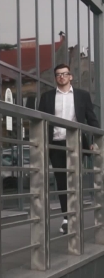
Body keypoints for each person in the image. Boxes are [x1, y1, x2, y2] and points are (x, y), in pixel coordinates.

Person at [38, 64, 99, 234]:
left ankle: (75, 215)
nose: (61, 77)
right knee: (62, 181)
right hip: (55, 144)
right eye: (58, 75)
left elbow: (91, 120)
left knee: (75, 180)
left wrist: (94, 141)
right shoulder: (47, 97)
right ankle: (66, 217)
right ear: (56, 78)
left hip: (76, 144)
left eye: (64, 74)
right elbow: (40, 121)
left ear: (70, 76)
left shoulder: (82, 96)